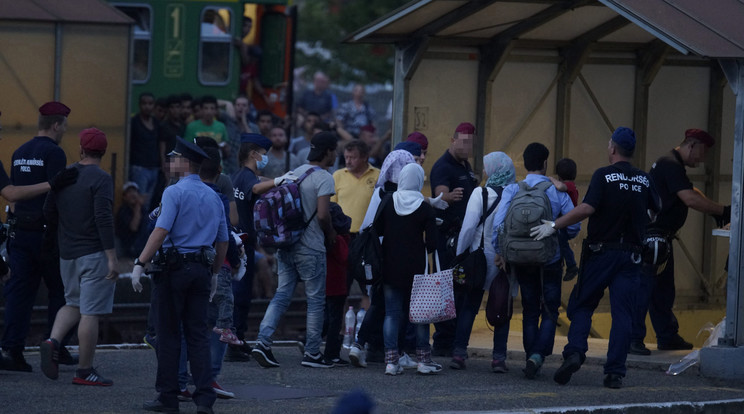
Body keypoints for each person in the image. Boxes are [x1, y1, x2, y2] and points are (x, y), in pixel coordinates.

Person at [529, 127, 660, 389]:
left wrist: (554, 226)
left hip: (601, 253)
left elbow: (587, 208)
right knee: (623, 314)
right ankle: (614, 373)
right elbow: (656, 211)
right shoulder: (645, 179)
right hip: (632, 256)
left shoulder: (604, 175)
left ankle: (575, 352)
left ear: (612, 148)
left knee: (583, 304)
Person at [131, 137, 229, 414]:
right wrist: (214, 273)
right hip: (200, 270)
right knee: (198, 335)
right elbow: (222, 241)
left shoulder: (173, 192)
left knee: (168, 334)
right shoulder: (213, 195)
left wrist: (140, 262)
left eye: (174, 157)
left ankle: (168, 397)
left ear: (185, 162)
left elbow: (160, 230)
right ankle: (205, 399)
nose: (170, 161)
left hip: (173, 271)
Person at [630, 128, 730, 354]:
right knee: (645, 290)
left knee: (662, 291)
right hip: (654, 238)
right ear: (691, 145)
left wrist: (717, 212)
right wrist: (723, 210)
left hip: (662, 238)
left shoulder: (672, 165)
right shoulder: (670, 164)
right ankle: (633, 338)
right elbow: (689, 197)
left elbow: (690, 190)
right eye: (702, 153)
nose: (702, 159)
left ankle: (666, 335)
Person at [1, 102, 79, 372]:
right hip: (48, 235)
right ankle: (55, 346)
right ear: (57, 125)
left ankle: (12, 350)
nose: (64, 131)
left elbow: (13, 193)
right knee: (62, 291)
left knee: (19, 294)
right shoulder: (54, 153)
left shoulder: (19, 151)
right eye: (64, 126)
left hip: (21, 233)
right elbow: (58, 195)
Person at [491, 142, 580, 379]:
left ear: (526, 164)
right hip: (549, 258)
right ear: (544, 164)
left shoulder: (512, 189)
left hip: (520, 259)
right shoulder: (555, 190)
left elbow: (498, 226)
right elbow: (575, 227)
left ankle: (533, 356)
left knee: (530, 309)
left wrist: (500, 251)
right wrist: (556, 229)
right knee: (550, 310)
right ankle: (537, 356)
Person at [251, 132, 338, 369]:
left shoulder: (296, 172)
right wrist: (330, 234)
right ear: (328, 151)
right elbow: (322, 215)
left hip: (287, 244)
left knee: (281, 295)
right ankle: (312, 353)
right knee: (315, 300)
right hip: (311, 248)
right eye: (335, 150)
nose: (336, 154)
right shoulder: (325, 178)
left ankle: (262, 342)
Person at [40, 128, 118, 386]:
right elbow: (103, 217)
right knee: (90, 312)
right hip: (93, 254)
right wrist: (111, 256)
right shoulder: (102, 178)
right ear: (103, 152)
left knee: (72, 303)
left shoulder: (66, 175)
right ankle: (85, 371)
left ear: (81, 149)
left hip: (67, 254)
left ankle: (52, 341)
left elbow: (48, 209)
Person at [228, 133, 292, 360]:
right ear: (254, 154)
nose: (265, 157)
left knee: (241, 294)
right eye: (263, 154)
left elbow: (258, 182)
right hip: (242, 245)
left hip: (243, 243)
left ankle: (238, 339)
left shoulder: (241, 175)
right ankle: (233, 343)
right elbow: (255, 189)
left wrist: (276, 178)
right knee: (241, 295)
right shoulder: (245, 176)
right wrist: (278, 181)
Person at [451, 152, 516, 372]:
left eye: (487, 167)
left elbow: (469, 227)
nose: (485, 171)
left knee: (469, 306)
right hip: (505, 261)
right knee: (502, 307)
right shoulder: (514, 193)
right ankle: (499, 358)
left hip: (479, 258)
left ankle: (459, 354)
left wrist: (460, 254)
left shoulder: (481, 192)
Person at [374, 163, 439, 375]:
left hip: (389, 265)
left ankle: (391, 362)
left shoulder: (387, 202)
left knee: (391, 313)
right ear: (419, 181)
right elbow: (432, 243)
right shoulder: (424, 207)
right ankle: (423, 361)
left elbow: (377, 230)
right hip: (416, 269)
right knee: (421, 315)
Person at [429, 122, 479, 357]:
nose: (467, 147)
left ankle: (451, 340)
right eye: (463, 141)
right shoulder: (443, 166)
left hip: (462, 239)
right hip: (447, 240)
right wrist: (448, 196)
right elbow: (439, 196)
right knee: (446, 289)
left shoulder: (465, 165)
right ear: (453, 139)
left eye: (471, 143)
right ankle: (442, 342)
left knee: (459, 290)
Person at [323, 202, 352, 366]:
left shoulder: (322, 237)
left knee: (326, 317)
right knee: (335, 321)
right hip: (337, 284)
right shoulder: (339, 239)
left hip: (324, 284)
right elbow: (345, 258)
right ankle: (332, 353)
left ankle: (309, 342)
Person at [331, 140, 380, 235]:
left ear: (364, 157)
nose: (348, 161)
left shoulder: (378, 175)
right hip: (343, 234)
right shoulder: (337, 176)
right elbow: (332, 206)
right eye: (346, 157)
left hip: (368, 235)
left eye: (353, 158)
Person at [129, 92, 161, 207]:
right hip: (139, 167)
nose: (147, 106)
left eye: (150, 103)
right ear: (139, 105)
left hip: (154, 168)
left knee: (148, 203)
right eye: (144, 103)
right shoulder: (134, 122)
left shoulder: (156, 123)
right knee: (139, 203)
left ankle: (144, 224)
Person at [556, 158, 580, 281]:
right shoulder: (573, 186)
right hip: (569, 221)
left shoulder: (568, 186)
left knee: (562, 243)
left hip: (567, 221)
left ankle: (571, 266)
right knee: (562, 244)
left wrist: (550, 179)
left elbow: (560, 187)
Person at [115, 182, 149, 259]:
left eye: (135, 191)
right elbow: (134, 227)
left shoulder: (142, 209)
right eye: (129, 192)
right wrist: (138, 206)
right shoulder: (123, 210)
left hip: (140, 246)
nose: (133, 194)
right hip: (129, 247)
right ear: (124, 197)